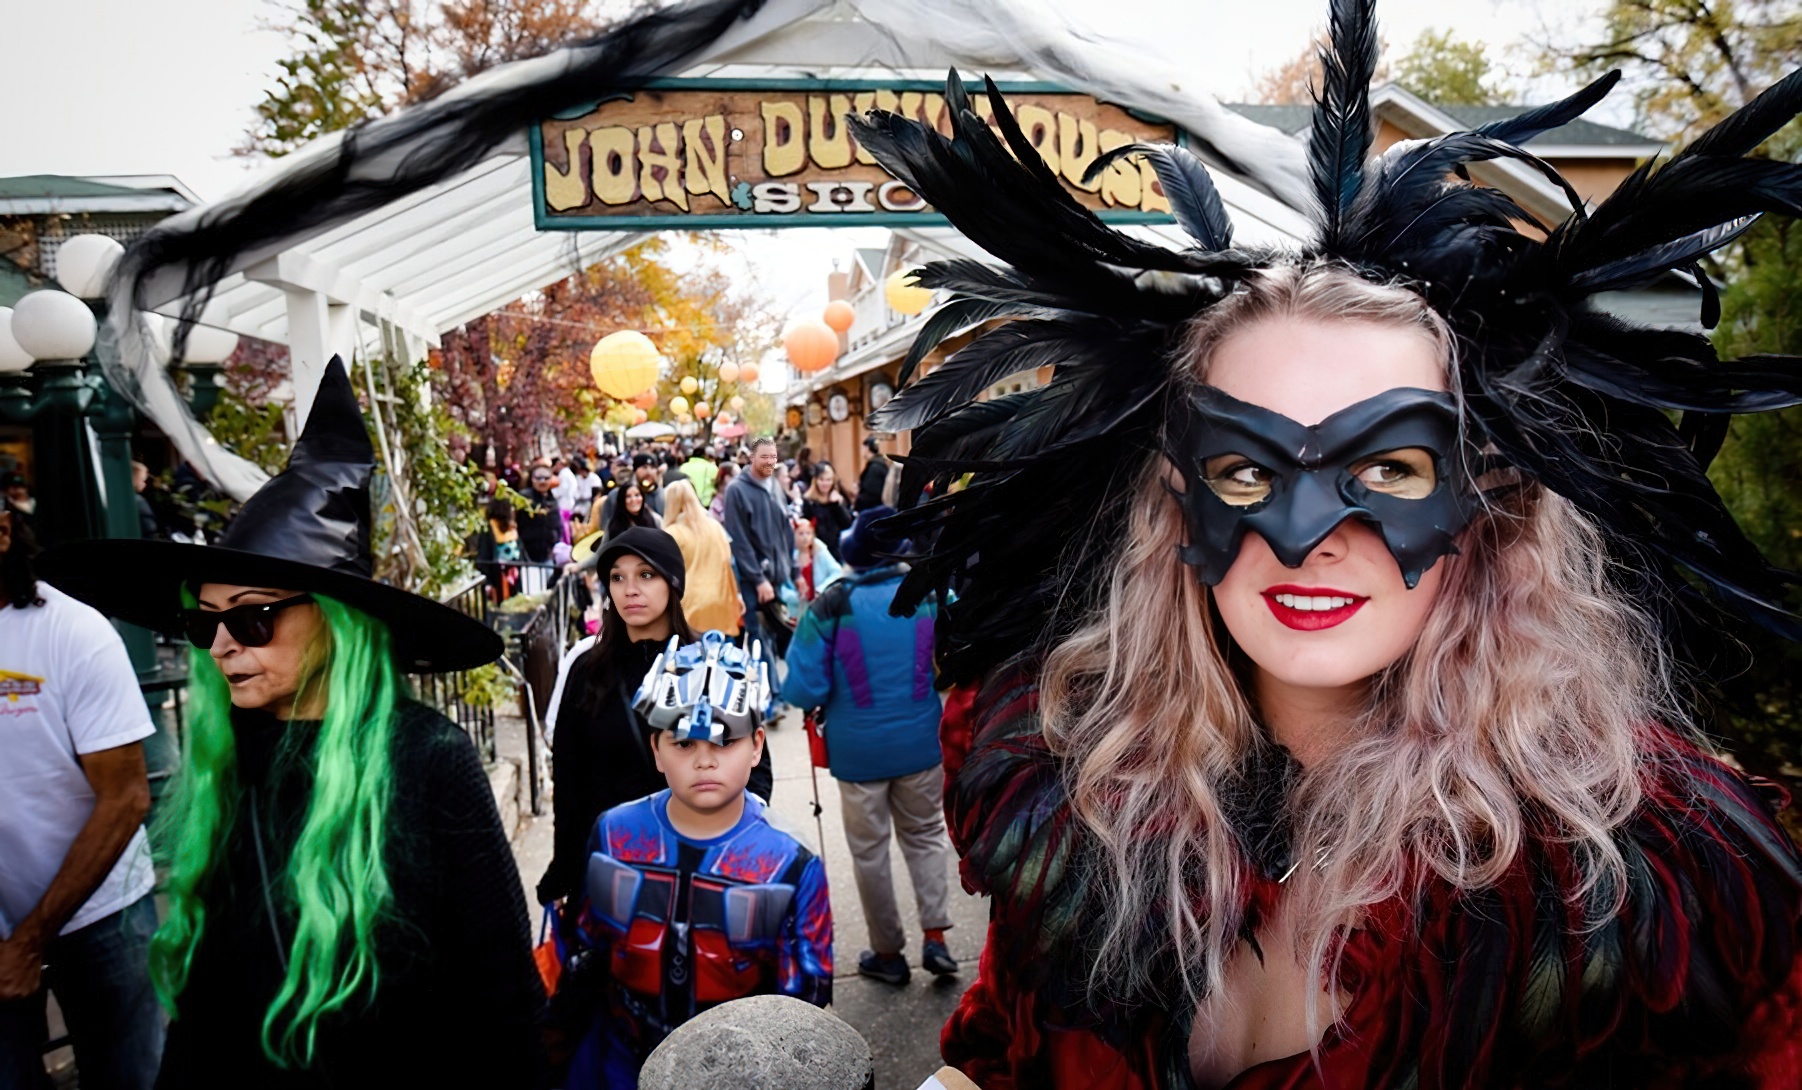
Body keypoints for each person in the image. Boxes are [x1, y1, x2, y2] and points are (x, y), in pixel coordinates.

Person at [849, 55, 1802, 1089]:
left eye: (1388, 468)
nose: (1304, 539)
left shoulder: (1630, 880)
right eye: (1245, 470)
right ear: (1176, 498)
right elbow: (1005, 1051)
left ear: (1489, 506)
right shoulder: (1079, 788)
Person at [37, 358, 543, 1089]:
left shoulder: (430, 757)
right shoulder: (228, 761)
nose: (220, 645)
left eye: (251, 618)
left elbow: (504, 997)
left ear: (336, 621)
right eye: (204, 621)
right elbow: (206, 998)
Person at [564, 630, 831, 1087]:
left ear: (757, 745)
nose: (704, 761)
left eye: (724, 742)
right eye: (684, 743)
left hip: (739, 1076)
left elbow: (806, 1000)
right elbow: (585, 947)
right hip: (619, 1062)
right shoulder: (613, 835)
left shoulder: (792, 862)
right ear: (656, 749)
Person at [0, 510, 163, 1089]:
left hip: (104, 913)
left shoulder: (72, 631)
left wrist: (29, 940)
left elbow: (127, 796)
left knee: (130, 1076)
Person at [537, 527, 771, 910]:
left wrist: (735, 844)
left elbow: (756, 769)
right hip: (613, 872)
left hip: (700, 870)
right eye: (617, 578)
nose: (630, 589)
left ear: (672, 581)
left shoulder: (711, 662)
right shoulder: (588, 671)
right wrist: (566, 871)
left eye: (645, 574)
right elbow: (569, 782)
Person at [780, 507, 953, 987]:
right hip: (921, 743)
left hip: (857, 755)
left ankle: (888, 952)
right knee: (925, 836)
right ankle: (936, 937)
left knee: (870, 852)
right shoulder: (930, 592)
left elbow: (802, 688)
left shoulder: (832, 604)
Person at [721, 438, 794, 664]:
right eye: (764, 457)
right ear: (751, 458)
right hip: (753, 583)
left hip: (777, 578)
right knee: (759, 641)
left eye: (773, 457)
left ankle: (774, 684)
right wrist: (758, 579)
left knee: (777, 639)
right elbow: (738, 541)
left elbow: (785, 530)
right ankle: (768, 686)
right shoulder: (736, 490)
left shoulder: (774, 486)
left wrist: (794, 570)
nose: (770, 462)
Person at [661, 481, 740, 636]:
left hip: (689, 606)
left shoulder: (672, 533)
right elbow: (729, 562)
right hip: (722, 602)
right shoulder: (716, 527)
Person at [798, 462, 854, 563]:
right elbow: (806, 527)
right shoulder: (809, 501)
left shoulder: (838, 499)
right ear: (815, 480)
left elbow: (847, 525)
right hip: (817, 552)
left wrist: (837, 506)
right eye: (821, 479)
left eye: (828, 480)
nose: (825, 483)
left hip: (838, 551)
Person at [518, 461, 564, 564]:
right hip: (527, 554)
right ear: (532, 479)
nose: (542, 482)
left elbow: (558, 526)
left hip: (548, 554)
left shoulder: (552, 500)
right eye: (538, 478)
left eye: (546, 478)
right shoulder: (524, 498)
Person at [790, 518, 842, 605]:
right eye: (801, 534)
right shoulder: (791, 555)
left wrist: (821, 590)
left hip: (819, 602)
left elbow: (837, 572)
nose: (805, 537)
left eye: (808, 533)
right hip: (798, 604)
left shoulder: (820, 552)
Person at [853, 437, 888, 512]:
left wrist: (857, 504)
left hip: (873, 511)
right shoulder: (880, 464)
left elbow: (871, 493)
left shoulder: (874, 468)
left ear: (867, 448)